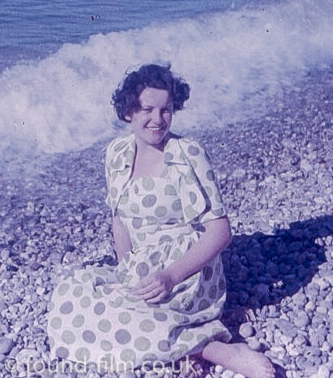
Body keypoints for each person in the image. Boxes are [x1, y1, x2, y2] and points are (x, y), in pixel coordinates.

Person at [47, 63, 274, 378]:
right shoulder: (116, 154)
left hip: (187, 272)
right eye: (147, 109)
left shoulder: (187, 154)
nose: (157, 119)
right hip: (142, 265)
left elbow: (220, 233)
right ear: (129, 111)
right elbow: (120, 220)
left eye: (166, 110)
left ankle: (218, 349)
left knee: (120, 315)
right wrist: (126, 269)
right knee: (69, 295)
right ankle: (187, 347)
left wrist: (169, 277)